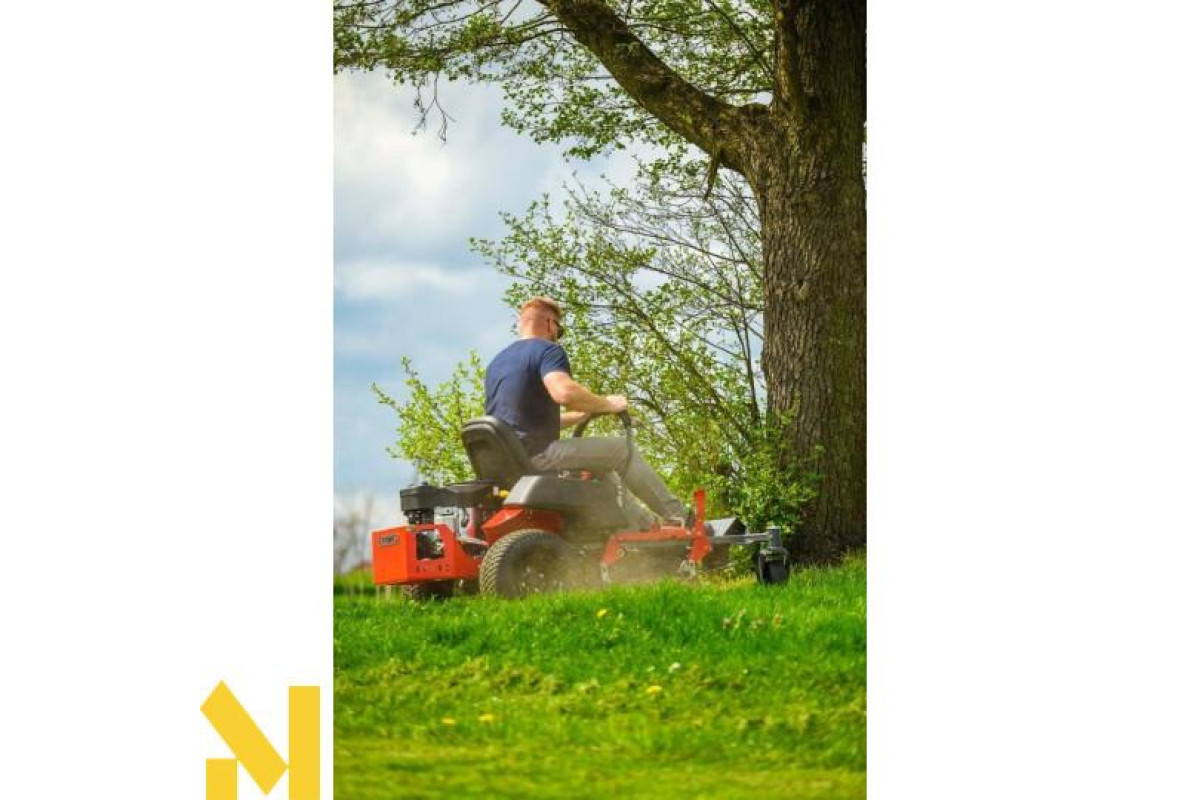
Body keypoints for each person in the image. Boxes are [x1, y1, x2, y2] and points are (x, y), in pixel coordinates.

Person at [484, 296, 691, 527]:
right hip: (539, 456)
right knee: (622, 449)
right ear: (551, 324)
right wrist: (609, 404)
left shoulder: (496, 364)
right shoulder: (547, 350)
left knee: (600, 468)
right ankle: (682, 519)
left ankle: (644, 526)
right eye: (560, 330)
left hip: (510, 463)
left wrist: (583, 414)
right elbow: (564, 393)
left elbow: (522, 423)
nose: (558, 335)